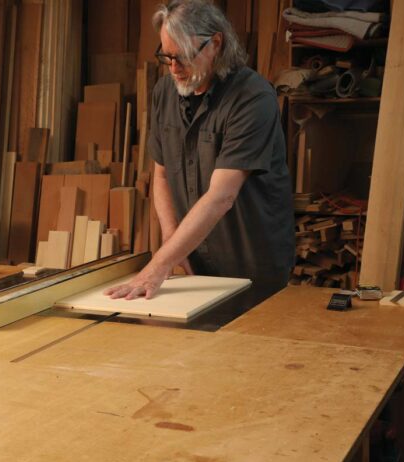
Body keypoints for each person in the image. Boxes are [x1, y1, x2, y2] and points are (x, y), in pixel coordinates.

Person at [104, 0, 295, 310]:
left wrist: (158, 266)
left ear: (215, 44)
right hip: (195, 263)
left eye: (184, 57)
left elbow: (222, 196)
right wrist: (172, 247)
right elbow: (162, 175)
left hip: (251, 267)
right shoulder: (165, 92)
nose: (174, 68)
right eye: (167, 57)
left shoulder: (253, 98)